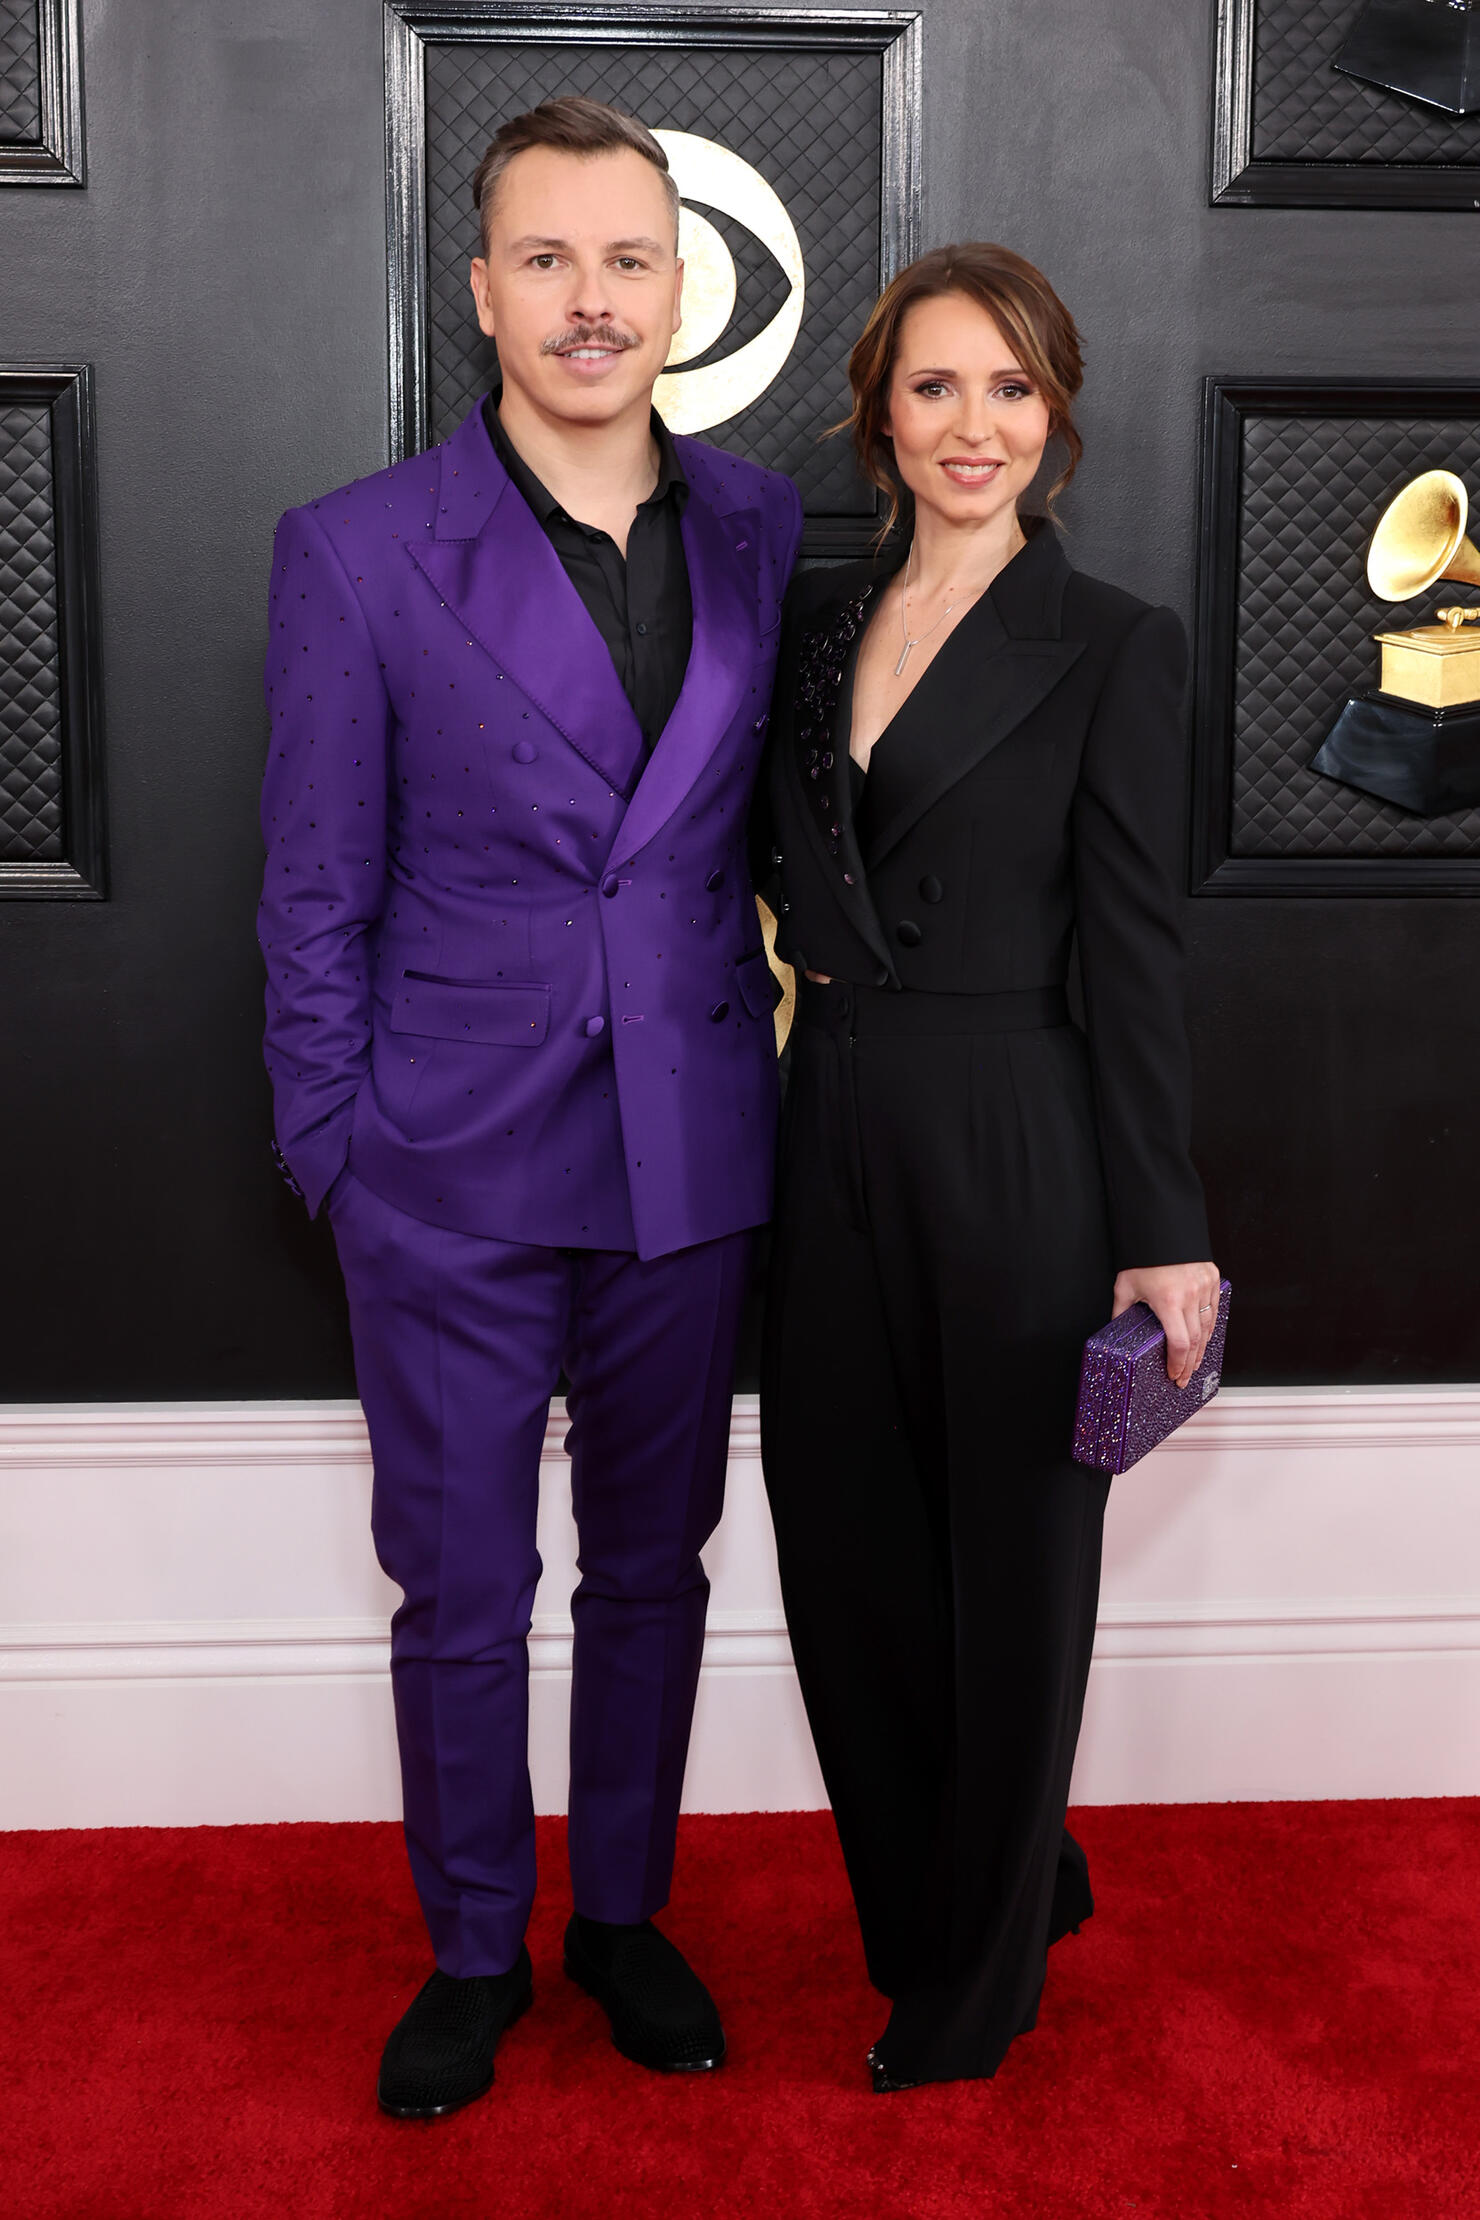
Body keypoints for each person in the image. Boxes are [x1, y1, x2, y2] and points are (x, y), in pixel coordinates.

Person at [258, 96, 801, 2118]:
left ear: (680, 288)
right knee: (464, 1582)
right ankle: (477, 1942)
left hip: (688, 1149)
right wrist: (344, 1154)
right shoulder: (359, 547)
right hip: (445, 1165)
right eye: (549, 259)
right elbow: (313, 886)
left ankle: (627, 1915)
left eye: (628, 259)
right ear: (478, 291)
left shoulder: (751, 525)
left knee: (652, 1564)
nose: (592, 299)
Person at [755, 243, 1220, 2091]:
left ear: (1058, 413)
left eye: (1012, 389)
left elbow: (1136, 953)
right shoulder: (810, 629)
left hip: (1022, 1134)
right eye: (939, 387)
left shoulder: (1109, 640)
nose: (976, 427)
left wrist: (1164, 1230)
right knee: (851, 1560)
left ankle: (980, 1983)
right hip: (830, 1134)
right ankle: (947, 1902)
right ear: (880, 409)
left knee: (1016, 1571)